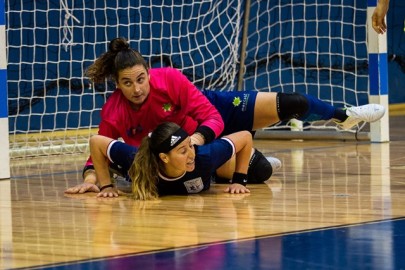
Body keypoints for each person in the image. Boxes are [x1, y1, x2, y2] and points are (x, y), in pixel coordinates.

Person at [67, 37, 385, 195]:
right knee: (258, 172)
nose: (136, 89)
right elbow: (99, 150)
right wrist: (92, 179)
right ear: (117, 84)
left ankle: (344, 116)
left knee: (295, 102)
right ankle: (249, 159)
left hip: (212, 114)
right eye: (127, 83)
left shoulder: (171, 80)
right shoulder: (114, 110)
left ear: (149, 74)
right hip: (190, 148)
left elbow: (212, 117)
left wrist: (197, 138)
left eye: (140, 79)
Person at [72, 122, 254, 199]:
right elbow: (96, 142)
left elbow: (245, 137)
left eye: (190, 146)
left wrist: (239, 180)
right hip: (131, 169)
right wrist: (106, 186)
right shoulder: (138, 160)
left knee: (261, 169)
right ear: (164, 158)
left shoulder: (204, 156)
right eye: (183, 151)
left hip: (215, 170)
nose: (191, 154)